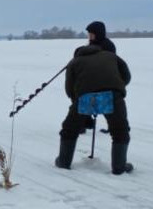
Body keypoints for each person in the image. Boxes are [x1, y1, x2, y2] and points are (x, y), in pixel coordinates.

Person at [54, 42, 133, 174]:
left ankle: (64, 161)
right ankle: (119, 167)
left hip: (86, 96)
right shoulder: (111, 56)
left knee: (69, 129)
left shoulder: (74, 62)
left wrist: (78, 106)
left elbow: (69, 89)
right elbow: (126, 76)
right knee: (120, 131)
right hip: (113, 95)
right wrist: (116, 87)